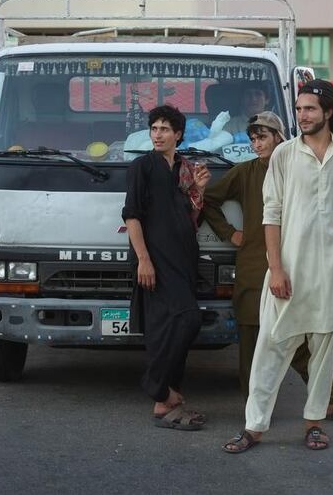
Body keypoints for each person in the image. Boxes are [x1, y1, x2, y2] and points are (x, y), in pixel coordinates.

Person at [221, 80, 333, 453]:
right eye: (299, 109)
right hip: (288, 269)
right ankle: (254, 427)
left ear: (329, 112)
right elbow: (271, 215)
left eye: (310, 109)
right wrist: (277, 269)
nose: (302, 116)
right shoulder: (285, 155)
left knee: (323, 350)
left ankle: (314, 423)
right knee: (271, 347)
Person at [202, 111, 333, 424]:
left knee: (307, 337)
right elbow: (209, 199)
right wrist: (230, 234)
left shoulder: (301, 167)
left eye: (263, 136)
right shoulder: (246, 172)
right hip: (255, 267)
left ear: (280, 137)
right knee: (254, 341)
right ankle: (255, 410)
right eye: (252, 138)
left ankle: (330, 403)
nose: (256, 143)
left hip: (300, 263)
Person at [122, 105, 212, 431]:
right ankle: (159, 392)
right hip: (156, 259)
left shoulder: (184, 170)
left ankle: (169, 397)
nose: (158, 134)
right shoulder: (141, 167)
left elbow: (190, 216)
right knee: (184, 319)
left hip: (184, 258)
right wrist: (143, 259)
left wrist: (198, 191)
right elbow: (132, 216)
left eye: (164, 129)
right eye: (154, 128)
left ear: (178, 135)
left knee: (172, 327)